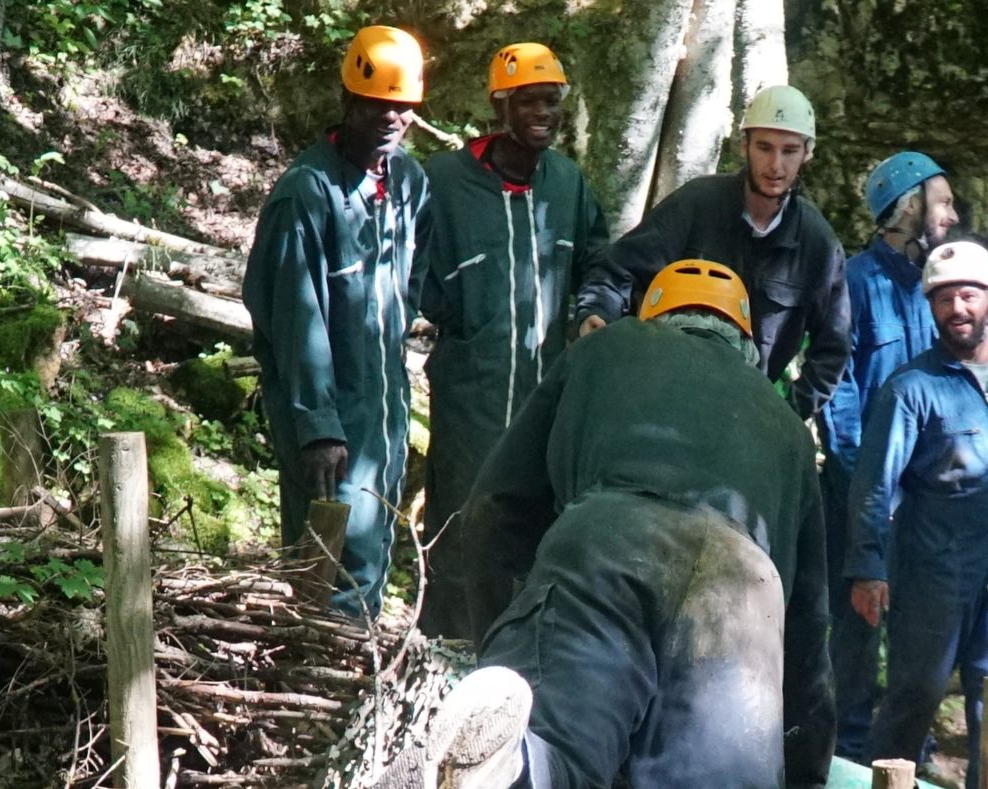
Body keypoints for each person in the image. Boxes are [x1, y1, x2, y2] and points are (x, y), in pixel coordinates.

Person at [354, 260, 950, 789]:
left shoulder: (603, 351)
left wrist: (505, 648)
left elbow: (495, 507)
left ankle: (503, 753)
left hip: (609, 542)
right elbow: (809, 636)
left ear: (656, 314)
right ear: (748, 341)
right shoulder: (783, 425)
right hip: (742, 591)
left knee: (556, 771)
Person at [847, 240, 988, 789]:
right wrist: (868, 567)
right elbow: (874, 484)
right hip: (930, 569)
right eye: (943, 299)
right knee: (914, 696)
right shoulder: (911, 389)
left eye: (968, 295)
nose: (957, 309)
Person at [416, 42, 610, 640]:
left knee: (533, 531)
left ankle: (518, 660)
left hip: (544, 400)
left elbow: (598, 262)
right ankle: (445, 654)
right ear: (500, 106)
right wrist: (460, 322)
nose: (543, 113)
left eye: (552, 101)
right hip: (470, 396)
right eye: (529, 102)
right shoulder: (445, 182)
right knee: (460, 526)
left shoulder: (567, 184)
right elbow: (409, 267)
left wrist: (592, 312)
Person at [243, 26, 432, 616]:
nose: (391, 118)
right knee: (327, 563)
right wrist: (318, 428)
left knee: (371, 550)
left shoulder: (409, 182)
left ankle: (356, 660)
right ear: (348, 100)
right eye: (377, 104)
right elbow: (292, 322)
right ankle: (316, 668)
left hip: (384, 412)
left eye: (403, 107)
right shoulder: (306, 193)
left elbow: (412, 285)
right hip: (329, 421)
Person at [571, 85, 850, 420]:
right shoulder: (697, 204)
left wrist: (784, 415)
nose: (776, 165)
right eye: (764, 147)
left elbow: (833, 347)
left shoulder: (817, 242)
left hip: (744, 416)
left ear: (807, 153)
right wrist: (596, 314)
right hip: (661, 401)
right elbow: (617, 269)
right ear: (744, 145)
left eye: (789, 151)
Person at [820, 151, 959, 758]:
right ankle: (844, 760)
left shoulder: (942, 288)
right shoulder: (853, 282)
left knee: (919, 635)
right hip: (863, 498)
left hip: (928, 499)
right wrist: (867, 486)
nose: (952, 215)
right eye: (942, 202)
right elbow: (837, 391)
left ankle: (908, 756)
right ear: (908, 208)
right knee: (853, 635)